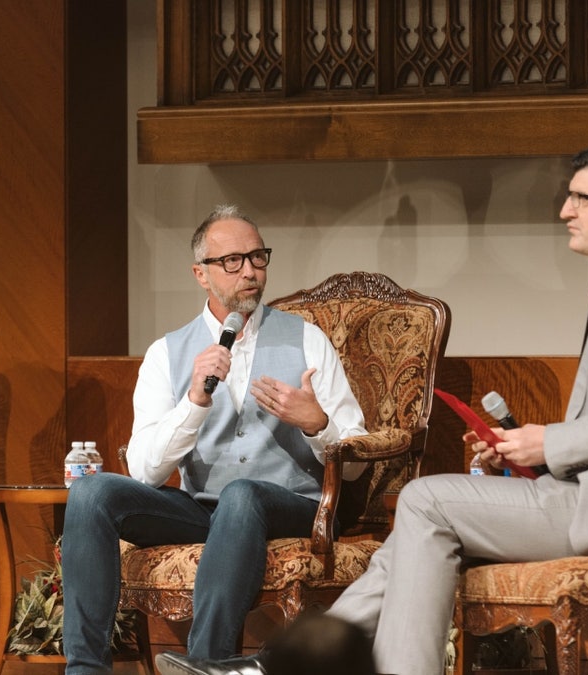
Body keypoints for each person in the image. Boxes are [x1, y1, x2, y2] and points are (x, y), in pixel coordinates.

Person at [155, 142, 588, 675]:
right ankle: (271, 667)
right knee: (409, 543)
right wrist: (528, 442)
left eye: (583, 198)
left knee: (425, 498)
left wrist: (551, 444)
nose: (566, 210)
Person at [60, 206, 368, 674]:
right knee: (90, 492)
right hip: (205, 510)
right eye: (233, 261)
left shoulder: (306, 339)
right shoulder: (167, 353)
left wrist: (316, 423)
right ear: (201, 274)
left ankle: (207, 664)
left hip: (295, 506)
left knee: (244, 496)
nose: (250, 271)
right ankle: (84, 669)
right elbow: (144, 471)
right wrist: (193, 403)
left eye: (258, 257)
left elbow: (356, 460)